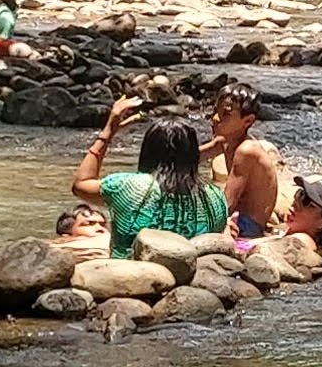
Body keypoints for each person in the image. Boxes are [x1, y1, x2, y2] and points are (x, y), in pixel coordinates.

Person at [76, 100, 228, 253]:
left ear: (147, 151)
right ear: (193, 154)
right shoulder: (214, 198)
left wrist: (109, 131)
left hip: (129, 272)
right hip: (194, 274)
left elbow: (81, 185)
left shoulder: (126, 187)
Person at [207, 78, 285, 239]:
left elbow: (227, 204)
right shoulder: (225, 141)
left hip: (248, 225)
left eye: (225, 114)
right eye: (215, 111)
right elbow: (190, 156)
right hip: (239, 216)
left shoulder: (246, 151)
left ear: (247, 121)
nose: (215, 118)